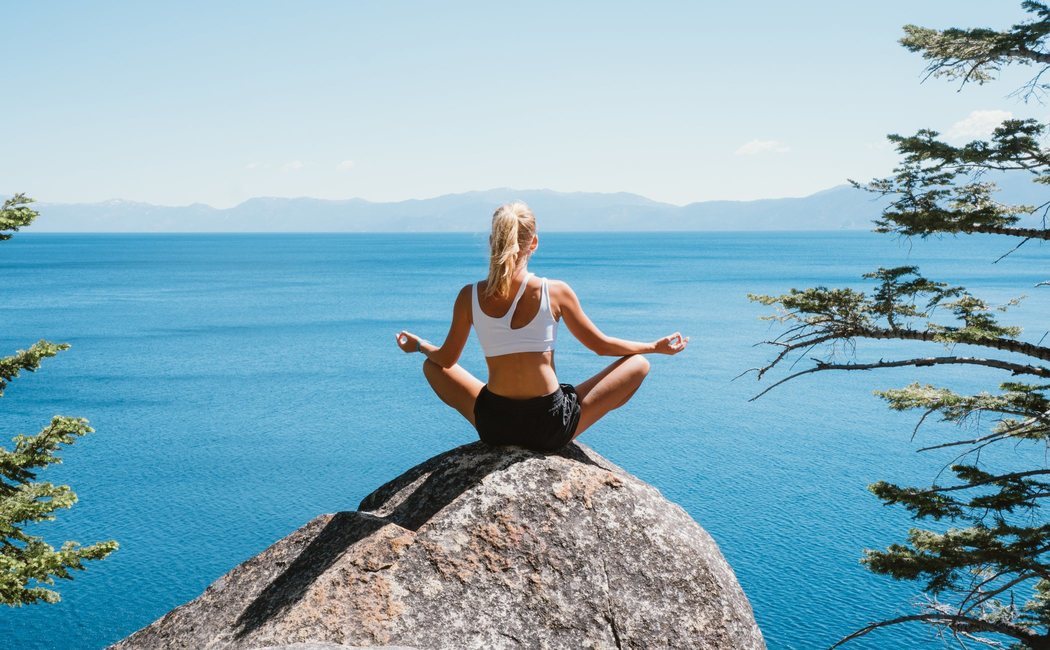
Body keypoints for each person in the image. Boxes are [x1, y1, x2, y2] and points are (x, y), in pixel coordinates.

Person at [395, 201, 688, 452]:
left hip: (495, 426)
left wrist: (419, 345)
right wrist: (654, 347)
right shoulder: (555, 292)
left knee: (430, 366)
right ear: (533, 242)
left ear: (492, 242)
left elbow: (445, 360)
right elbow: (601, 346)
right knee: (639, 364)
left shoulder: (469, 296)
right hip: (549, 427)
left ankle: (504, 409)